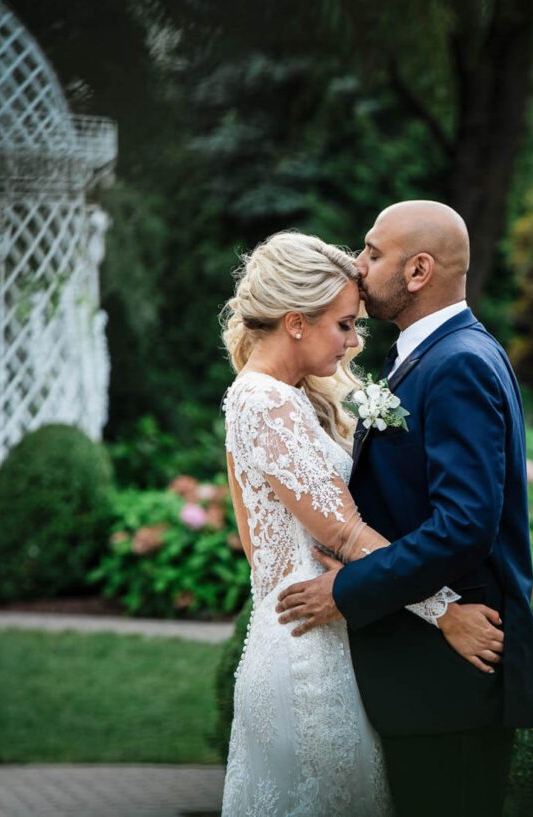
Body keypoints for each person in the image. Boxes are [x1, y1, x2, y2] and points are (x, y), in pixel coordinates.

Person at [219, 230, 506, 817]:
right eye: (344, 324)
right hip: (306, 652)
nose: (354, 343)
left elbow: (260, 543)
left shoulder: (282, 396)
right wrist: (446, 613)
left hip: (324, 633)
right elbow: (345, 534)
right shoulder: (263, 402)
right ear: (296, 322)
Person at [275, 201, 533, 817]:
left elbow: (464, 525)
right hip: (430, 678)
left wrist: (347, 590)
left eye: (373, 252)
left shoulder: (458, 365)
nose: (357, 263)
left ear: (419, 271)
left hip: (451, 680)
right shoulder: (441, 354)